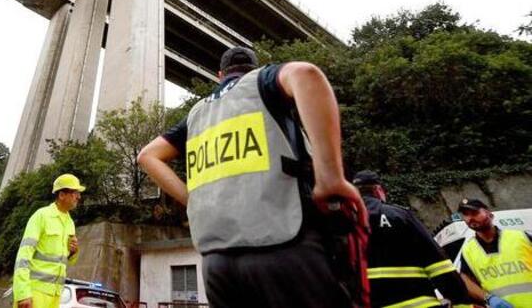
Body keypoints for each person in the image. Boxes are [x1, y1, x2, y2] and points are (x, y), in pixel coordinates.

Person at [137, 46, 366, 308]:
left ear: (220, 75)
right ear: (253, 68)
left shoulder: (197, 114)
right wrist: (330, 177)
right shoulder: (263, 82)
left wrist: (193, 200)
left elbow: (148, 156)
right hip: (284, 246)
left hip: (218, 265)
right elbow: (306, 74)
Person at [352, 170, 471, 307]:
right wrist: (460, 300)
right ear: (378, 190)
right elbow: (438, 264)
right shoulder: (399, 215)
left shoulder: (340, 224)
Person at [13, 174, 84, 308]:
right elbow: (23, 256)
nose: (79, 197)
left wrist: (73, 252)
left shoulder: (70, 223)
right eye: (75, 193)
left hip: (55, 295)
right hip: (34, 293)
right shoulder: (41, 216)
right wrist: (23, 292)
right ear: (62, 195)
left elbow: (66, 260)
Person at [457, 198, 532, 308]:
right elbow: (466, 280)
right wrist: (488, 298)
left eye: (475, 213)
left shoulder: (520, 237)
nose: (470, 218)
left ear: (489, 213)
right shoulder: (468, 250)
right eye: (466, 215)